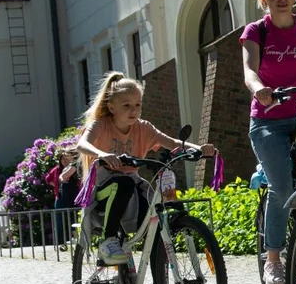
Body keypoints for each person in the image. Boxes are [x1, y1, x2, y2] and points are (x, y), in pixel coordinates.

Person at [76, 72, 216, 265]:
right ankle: (107, 241)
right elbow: (82, 144)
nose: (133, 110)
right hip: (103, 187)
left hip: (132, 185)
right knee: (123, 184)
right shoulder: (101, 125)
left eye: (138, 105)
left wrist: (199, 149)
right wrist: (102, 154)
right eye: (126, 106)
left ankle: (160, 283)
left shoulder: (144, 128)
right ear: (111, 107)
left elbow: (172, 142)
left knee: (154, 215)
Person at [240, 0, 296, 284]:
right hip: (268, 120)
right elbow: (249, 70)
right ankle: (273, 260)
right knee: (282, 188)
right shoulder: (257, 31)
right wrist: (259, 89)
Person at [45, 150, 80, 245]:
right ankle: (60, 241)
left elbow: (64, 177)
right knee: (59, 220)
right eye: (62, 159)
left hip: (73, 196)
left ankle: (76, 238)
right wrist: (56, 185)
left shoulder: (74, 167)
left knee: (74, 217)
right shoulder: (57, 169)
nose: (64, 161)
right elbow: (48, 179)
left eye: (66, 158)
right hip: (60, 196)